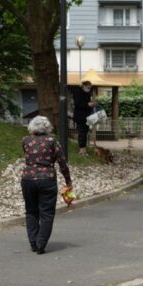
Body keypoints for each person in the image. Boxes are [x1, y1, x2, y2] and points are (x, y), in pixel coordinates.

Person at [21, 116, 72, 254]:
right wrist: (68, 181)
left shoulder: (25, 141)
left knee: (31, 211)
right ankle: (41, 244)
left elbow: (27, 156)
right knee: (47, 213)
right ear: (47, 128)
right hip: (47, 179)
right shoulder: (52, 142)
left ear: (32, 127)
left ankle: (33, 243)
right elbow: (62, 163)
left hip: (28, 179)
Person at [72, 80, 95, 156]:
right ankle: (82, 150)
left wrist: (91, 105)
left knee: (85, 133)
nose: (89, 89)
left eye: (90, 88)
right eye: (88, 87)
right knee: (81, 133)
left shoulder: (87, 93)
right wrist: (88, 105)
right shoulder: (77, 92)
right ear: (84, 86)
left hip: (87, 116)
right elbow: (77, 104)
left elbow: (87, 105)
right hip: (80, 116)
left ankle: (84, 149)